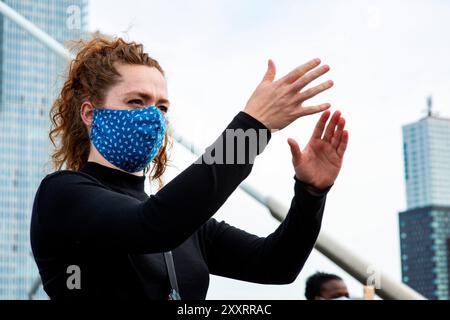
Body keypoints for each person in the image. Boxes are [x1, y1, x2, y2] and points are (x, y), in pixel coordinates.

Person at [30, 36, 349, 299]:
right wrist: (251, 131)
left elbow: (277, 265)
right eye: (136, 101)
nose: (154, 117)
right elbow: (153, 227)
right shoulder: (62, 196)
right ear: (89, 113)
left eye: (162, 107)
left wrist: (311, 193)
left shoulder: (189, 226)